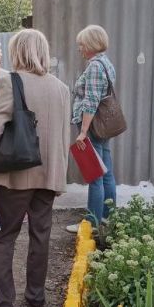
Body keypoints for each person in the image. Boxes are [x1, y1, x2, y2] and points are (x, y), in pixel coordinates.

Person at [0, 29, 71, 307]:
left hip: (15, 175)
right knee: (41, 235)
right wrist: (59, 174)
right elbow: (63, 136)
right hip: (48, 175)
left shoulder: (10, 81)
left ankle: (4, 300)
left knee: (4, 236)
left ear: (19, 52)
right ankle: (36, 297)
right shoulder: (61, 88)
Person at [66, 24, 117, 234]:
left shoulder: (95, 66)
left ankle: (91, 224)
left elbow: (92, 101)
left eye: (82, 44)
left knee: (95, 175)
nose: (80, 49)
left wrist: (83, 131)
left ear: (91, 44)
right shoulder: (106, 63)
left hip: (93, 127)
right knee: (106, 174)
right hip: (102, 126)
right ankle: (106, 217)